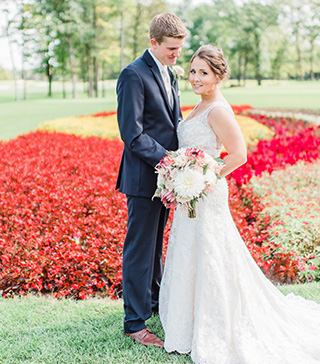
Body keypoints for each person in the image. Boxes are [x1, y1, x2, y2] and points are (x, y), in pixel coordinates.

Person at [159, 45, 320, 363]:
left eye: (203, 72)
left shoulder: (218, 110)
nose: (195, 77)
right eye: (193, 71)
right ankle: (186, 321)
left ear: (217, 76)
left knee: (214, 254)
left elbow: (239, 155)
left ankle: (221, 322)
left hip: (206, 194)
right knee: (189, 251)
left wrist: (204, 180)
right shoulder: (201, 104)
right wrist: (187, 178)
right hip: (191, 195)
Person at [115, 13, 187, 348]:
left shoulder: (170, 73)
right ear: (153, 42)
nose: (177, 55)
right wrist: (169, 160)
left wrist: (188, 160)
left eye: (179, 49)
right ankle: (134, 324)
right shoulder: (132, 75)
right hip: (144, 179)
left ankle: (154, 306)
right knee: (139, 250)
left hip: (166, 179)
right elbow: (132, 134)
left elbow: (174, 121)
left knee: (155, 247)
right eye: (171, 48)